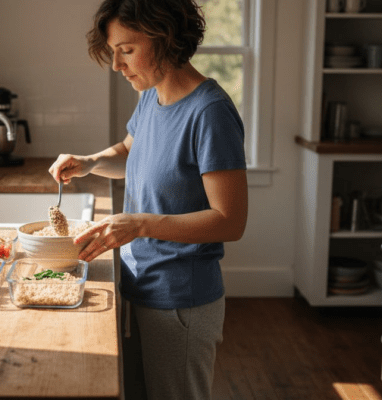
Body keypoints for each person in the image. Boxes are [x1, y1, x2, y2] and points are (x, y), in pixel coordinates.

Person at [48, 0, 248, 399]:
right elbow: (130, 151)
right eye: (114, 51)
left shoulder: (210, 113)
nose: (117, 65)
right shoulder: (152, 97)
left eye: (127, 50)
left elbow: (230, 220)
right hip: (139, 282)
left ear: (166, 38)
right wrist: (88, 162)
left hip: (180, 301)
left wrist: (139, 223)